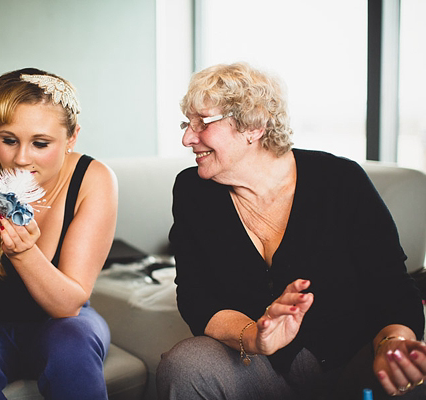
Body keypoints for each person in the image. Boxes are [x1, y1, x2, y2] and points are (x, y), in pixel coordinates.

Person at [156, 62, 426, 400]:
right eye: (187, 123)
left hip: (353, 365)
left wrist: (393, 343)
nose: (187, 138)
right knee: (185, 366)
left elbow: (392, 286)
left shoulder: (340, 181)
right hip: (259, 365)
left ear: (253, 126)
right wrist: (253, 335)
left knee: (406, 380)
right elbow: (195, 298)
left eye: (202, 123)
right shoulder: (192, 191)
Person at [0, 68, 118, 400]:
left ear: (72, 138)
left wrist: (24, 254)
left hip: (64, 323)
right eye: (8, 140)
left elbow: (68, 305)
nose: (21, 158)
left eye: (40, 143)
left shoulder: (93, 179)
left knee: (73, 346)